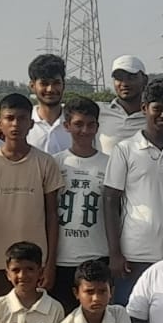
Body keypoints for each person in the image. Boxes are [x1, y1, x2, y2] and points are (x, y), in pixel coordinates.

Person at [102, 77, 163, 304]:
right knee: (129, 316)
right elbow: (110, 200)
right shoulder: (125, 149)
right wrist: (115, 253)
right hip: (133, 252)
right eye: (157, 109)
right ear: (144, 108)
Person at [0, 94, 63, 305]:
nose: (15, 124)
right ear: (0, 123)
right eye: (9, 118)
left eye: (21, 118)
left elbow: (52, 215)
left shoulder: (45, 163)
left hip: (35, 264)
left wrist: (49, 264)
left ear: (30, 124)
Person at [50, 96, 109, 311]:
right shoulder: (55, 162)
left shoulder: (108, 164)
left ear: (97, 126)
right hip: (63, 258)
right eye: (78, 124)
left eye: (90, 124)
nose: (85, 130)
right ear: (67, 126)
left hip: (98, 255)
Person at [99, 55, 150, 155]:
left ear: (145, 80)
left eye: (131, 77)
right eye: (119, 78)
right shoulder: (99, 111)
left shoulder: (155, 115)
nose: (124, 83)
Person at [27, 53, 71, 155]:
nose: (50, 89)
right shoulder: (23, 123)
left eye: (56, 83)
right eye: (44, 83)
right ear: (32, 86)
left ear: (63, 85)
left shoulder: (77, 123)